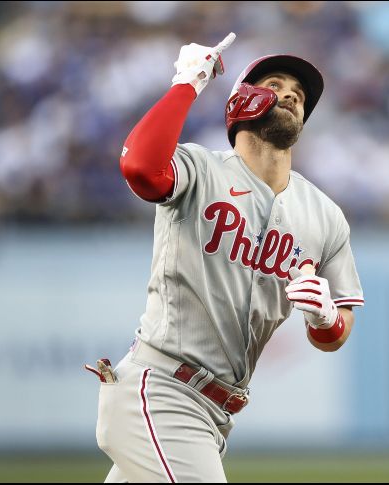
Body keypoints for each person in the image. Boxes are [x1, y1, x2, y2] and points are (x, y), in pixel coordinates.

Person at [86, 32, 364, 482]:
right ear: (242, 101)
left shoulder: (325, 216)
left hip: (216, 413)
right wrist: (186, 84)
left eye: (298, 94)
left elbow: (337, 332)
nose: (291, 95)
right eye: (275, 85)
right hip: (161, 390)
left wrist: (325, 318)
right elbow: (140, 169)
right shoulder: (200, 169)